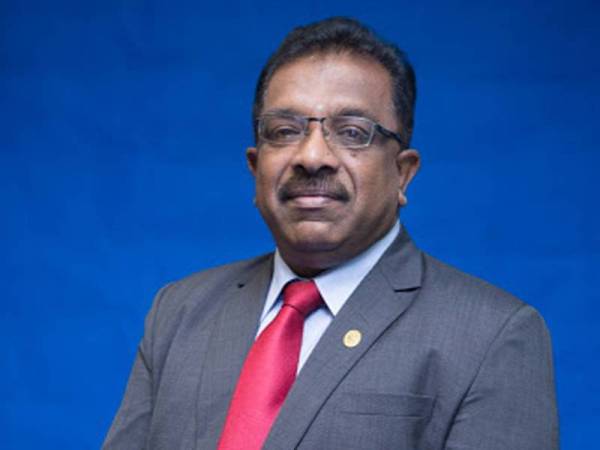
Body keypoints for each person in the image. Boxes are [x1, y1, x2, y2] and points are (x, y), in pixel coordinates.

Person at [103, 17, 558, 450]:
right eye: (284, 131)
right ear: (255, 167)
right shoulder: (181, 310)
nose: (312, 156)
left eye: (352, 132)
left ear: (403, 174)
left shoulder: (492, 335)